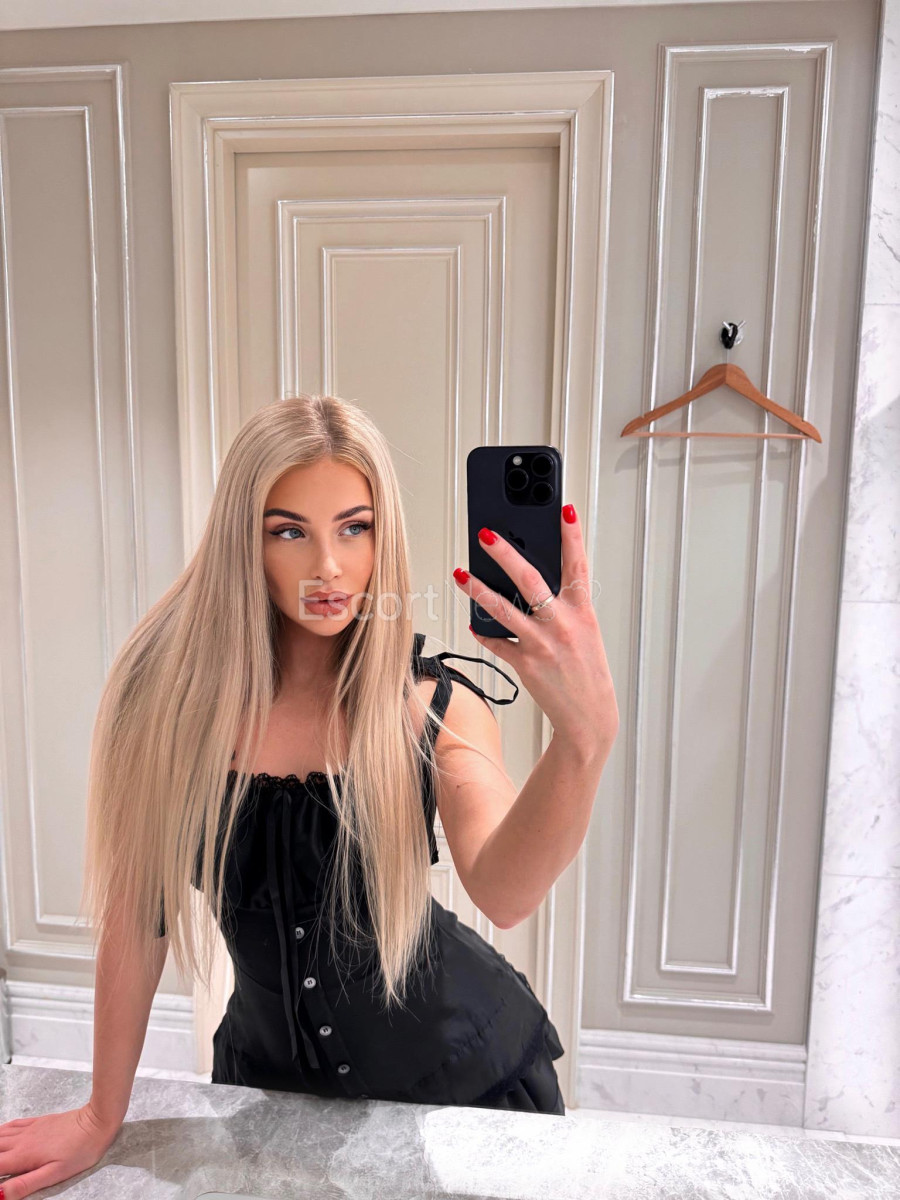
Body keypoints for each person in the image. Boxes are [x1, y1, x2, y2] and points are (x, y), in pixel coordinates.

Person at [0, 394, 618, 1200]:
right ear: (243, 541)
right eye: (289, 531)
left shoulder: (428, 704)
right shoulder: (165, 706)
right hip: (265, 1090)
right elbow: (137, 915)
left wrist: (583, 741)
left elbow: (506, 892)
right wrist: (98, 1114)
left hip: (461, 1087)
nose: (328, 565)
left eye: (354, 528)